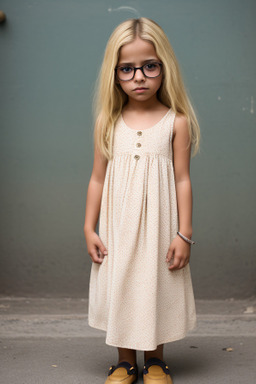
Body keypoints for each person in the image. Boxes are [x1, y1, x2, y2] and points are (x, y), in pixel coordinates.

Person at [84, 17, 200, 384]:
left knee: (154, 283)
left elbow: (183, 179)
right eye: (127, 69)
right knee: (122, 281)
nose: (139, 77)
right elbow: (97, 177)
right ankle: (124, 360)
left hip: (158, 225)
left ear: (164, 68)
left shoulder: (175, 122)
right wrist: (89, 227)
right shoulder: (108, 120)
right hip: (118, 224)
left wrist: (184, 234)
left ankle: (154, 360)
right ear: (115, 73)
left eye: (149, 66)